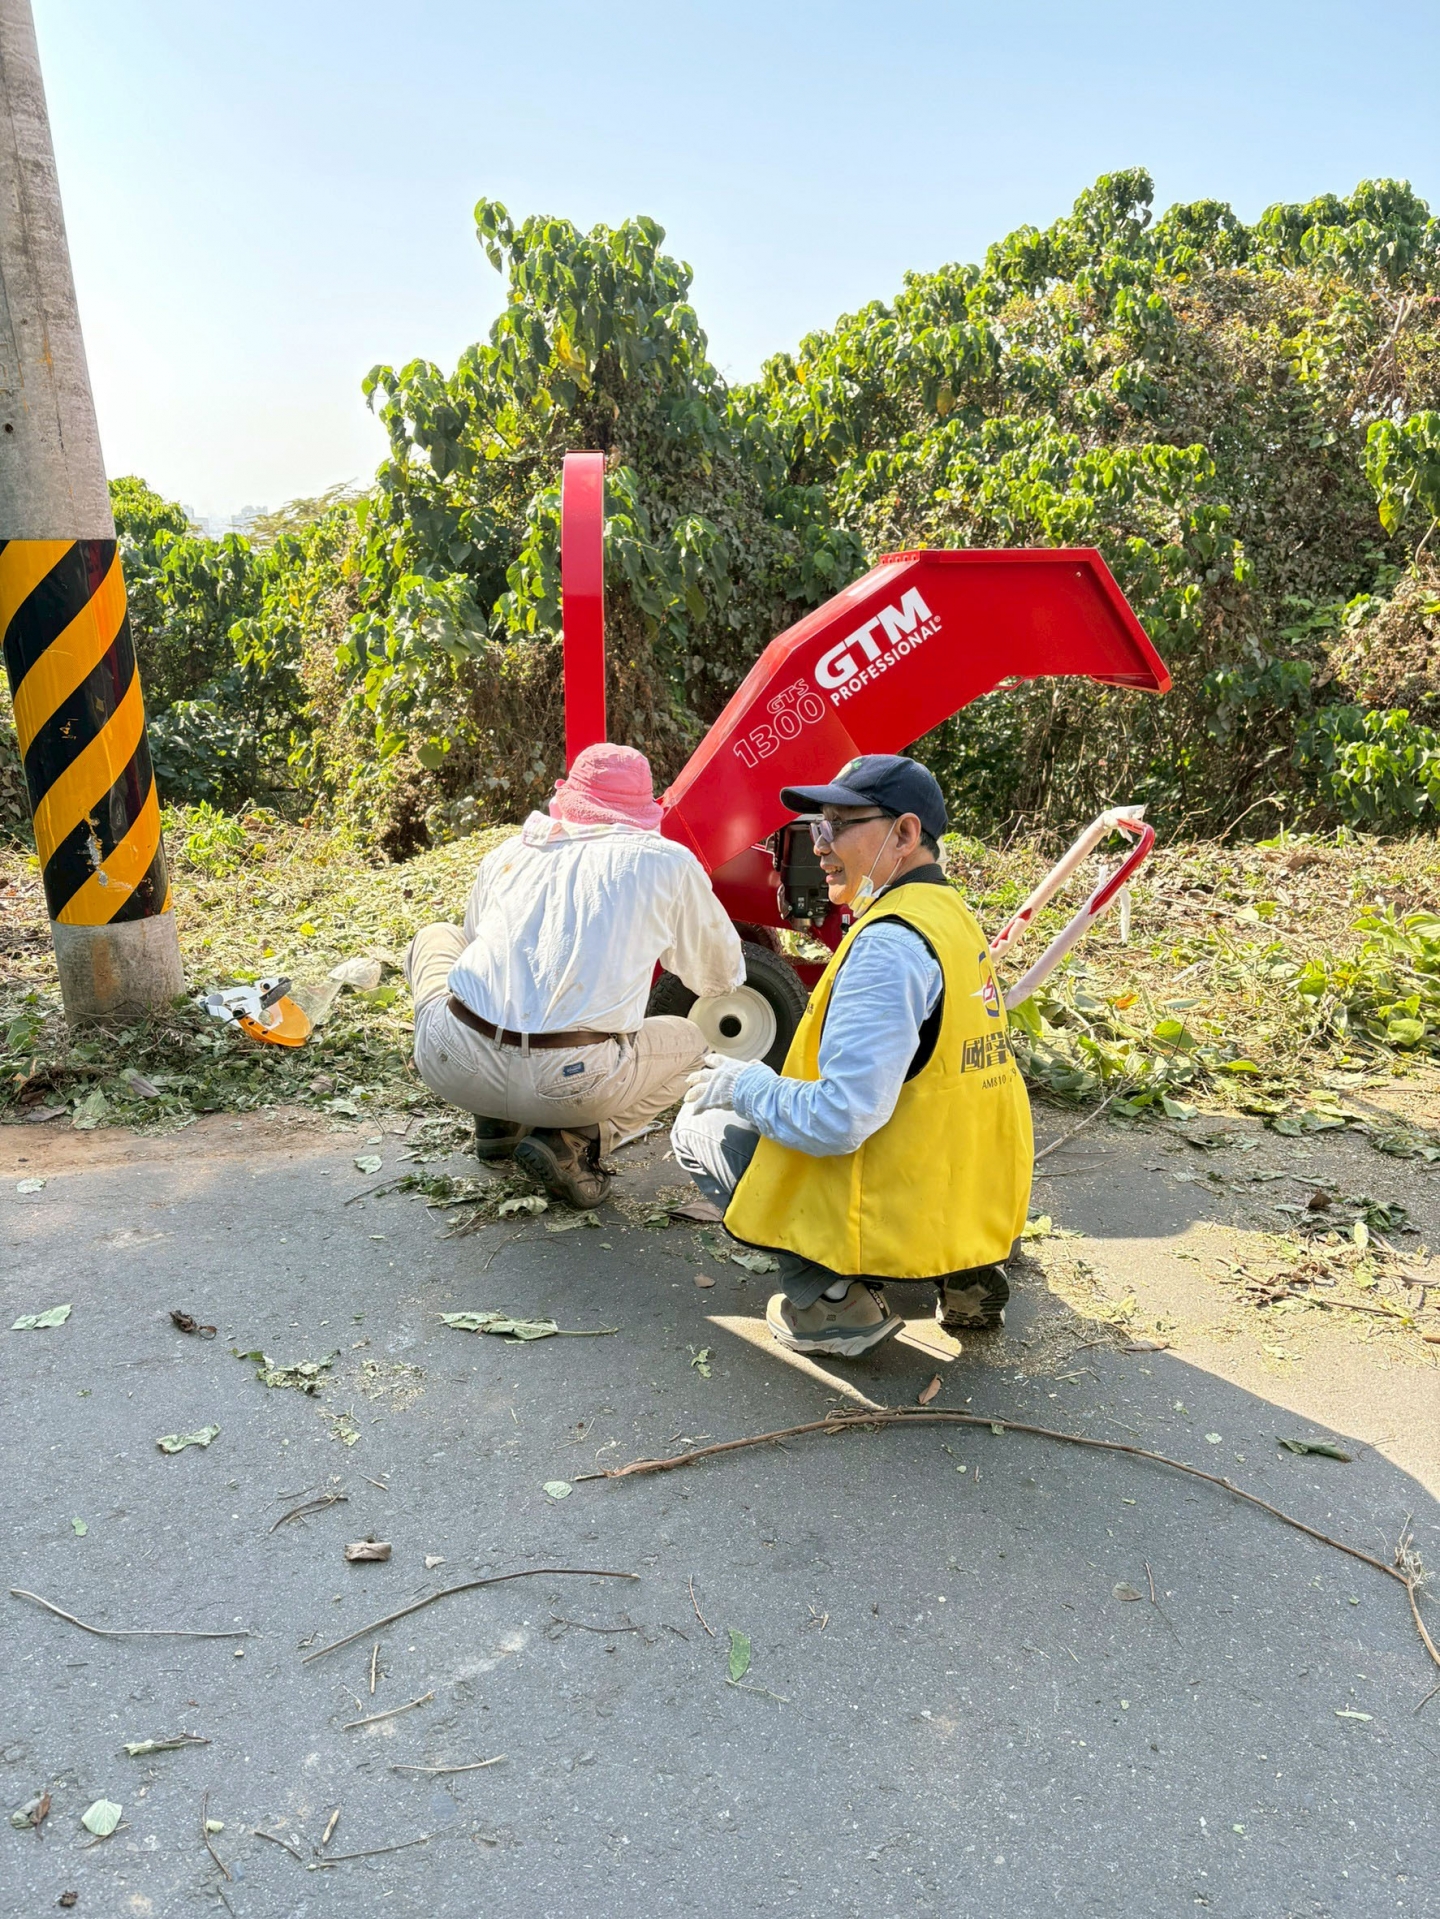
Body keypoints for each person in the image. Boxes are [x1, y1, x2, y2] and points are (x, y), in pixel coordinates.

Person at [671, 753, 1032, 1358]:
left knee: (700, 1126)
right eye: (817, 828)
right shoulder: (949, 917)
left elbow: (841, 1119)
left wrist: (746, 1085)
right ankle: (960, 1264)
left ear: (906, 833)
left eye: (837, 825)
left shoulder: (888, 945)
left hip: (895, 1194)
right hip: (968, 1188)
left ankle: (834, 1303)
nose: (821, 846)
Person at [404, 742, 744, 1208]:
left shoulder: (510, 851)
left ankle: (496, 1123)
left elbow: (474, 943)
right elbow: (718, 978)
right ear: (644, 809)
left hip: (454, 1061)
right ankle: (576, 1141)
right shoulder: (666, 862)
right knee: (693, 1043)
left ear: (568, 799)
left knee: (435, 937)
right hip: (570, 1082)